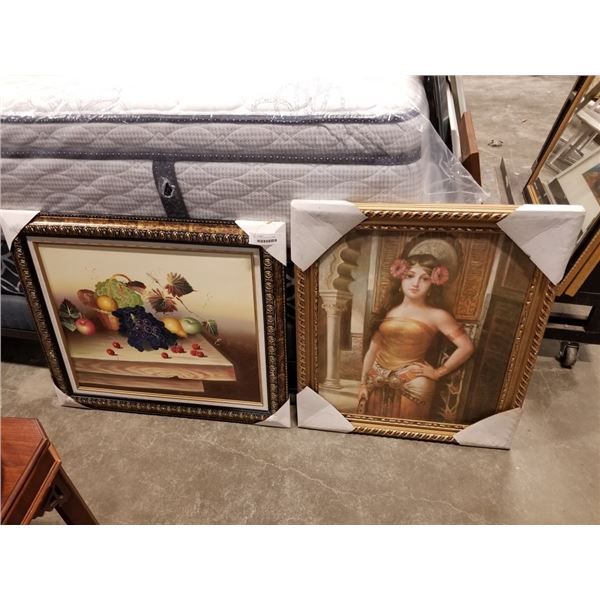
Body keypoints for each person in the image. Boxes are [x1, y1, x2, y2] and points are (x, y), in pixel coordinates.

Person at [357, 241, 475, 421]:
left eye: (425, 279)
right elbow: (373, 350)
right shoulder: (389, 310)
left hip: (413, 384)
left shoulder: (438, 315)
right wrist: (363, 384)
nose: (416, 283)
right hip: (376, 380)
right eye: (410, 276)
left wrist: (438, 372)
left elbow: (466, 347)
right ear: (400, 279)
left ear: (433, 283)